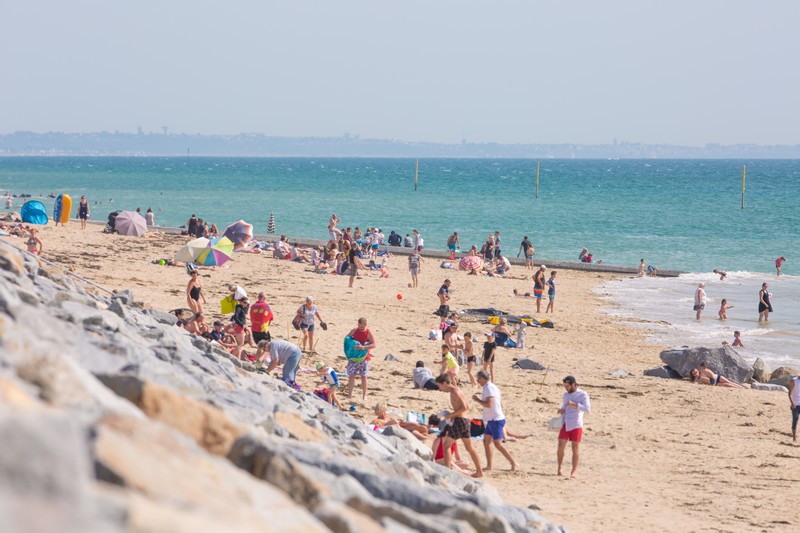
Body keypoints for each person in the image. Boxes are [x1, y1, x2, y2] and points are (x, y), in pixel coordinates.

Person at [435, 373, 483, 477]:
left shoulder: (454, 391)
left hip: (460, 421)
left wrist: (450, 415)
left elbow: (465, 408)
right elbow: (466, 406)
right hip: (464, 421)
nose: (439, 388)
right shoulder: (457, 390)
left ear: (444, 383)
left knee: (446, 445)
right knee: (469, 448)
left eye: (439, 385)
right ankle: (479, 471)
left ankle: (447, 471)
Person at [472, 371, 517, 472]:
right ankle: (489, 466)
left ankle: (513, 463)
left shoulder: (489, 388)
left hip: (495, 419)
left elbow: (489, 404)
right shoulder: (491, 386)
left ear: (483, 378)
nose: (478, 381)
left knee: (498, 444)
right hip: (492, 419)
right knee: (486, 442)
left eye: (478, 379)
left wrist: (477, 400)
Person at [557, 375, 591, 478]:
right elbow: (564, 405)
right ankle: (559, 468)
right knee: (560, 446)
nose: (566, 388)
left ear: (573, 385)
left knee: (575, 448)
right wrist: (561, 410)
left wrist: (575, 404)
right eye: (564, 386)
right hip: (565, 422)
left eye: (567, 386)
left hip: (576, 423)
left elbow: (587, 409)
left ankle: (573, 471)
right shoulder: (566, 394)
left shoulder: (583, 394)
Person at [346, 318, 375, 400]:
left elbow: (374, 344)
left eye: (362, 327)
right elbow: (346, 340)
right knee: (351, 375)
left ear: (366, 324)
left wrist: (363, 347)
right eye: (359, 326)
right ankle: (350, 395)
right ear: (357, 324)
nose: (361, 328)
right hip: (354, 357)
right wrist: (351, 344)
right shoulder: (354, 330)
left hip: (364, 357)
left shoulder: (368, 332)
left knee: (364, 376)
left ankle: (364, 395)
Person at [789, 375, 800, 442]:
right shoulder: (794, 380)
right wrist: (792, 403)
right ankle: (794, 438)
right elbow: (789, 393)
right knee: (795, 420)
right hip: (795, 404)